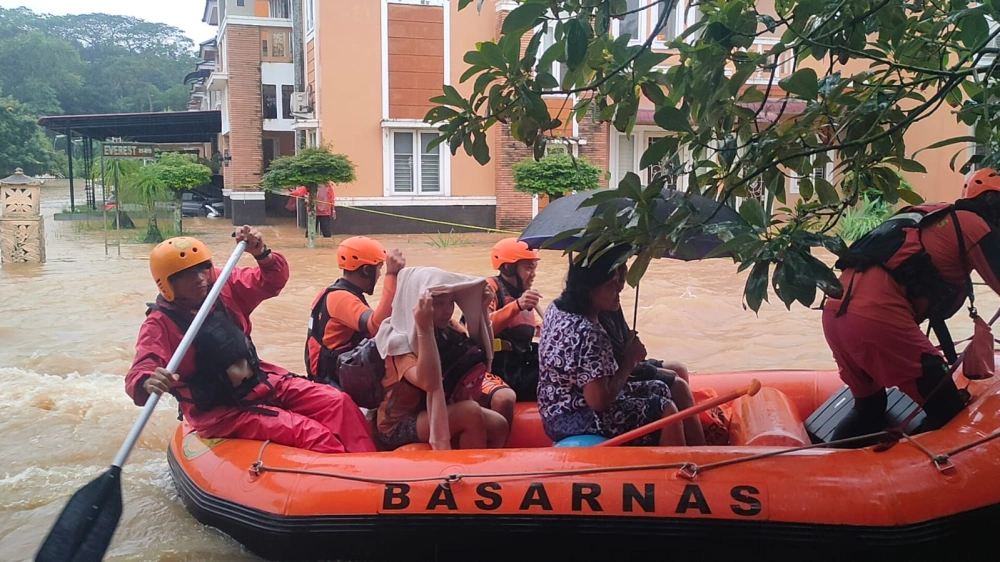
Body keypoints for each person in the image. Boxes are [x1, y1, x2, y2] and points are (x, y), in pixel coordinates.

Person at [125, 229, 375, 454]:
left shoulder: (222, 285)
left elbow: (272, 281)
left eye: (202, 268)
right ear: (167, 283)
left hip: (261, 380)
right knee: (314, 435)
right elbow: (140, 371)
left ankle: (372, 465)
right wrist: (148, 381)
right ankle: (353, 484)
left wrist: (262, 253)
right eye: (186, 275)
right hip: (223, 411)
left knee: (338, 402)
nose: (199, 278)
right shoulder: (159, 324)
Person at [822, 168, 1000, 440]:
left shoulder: (930, 215)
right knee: (947, 409)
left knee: (870, 407)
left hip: (834, 313)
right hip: (877, 320)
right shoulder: (974, 225)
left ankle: (828, 466)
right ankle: (897, 470)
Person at [537, 246, 689, 447]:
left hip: (553, 407)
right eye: (612, 284)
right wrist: (629, 360)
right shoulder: (588, 332)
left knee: (660, 387)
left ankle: (698, 453)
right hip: (574, 416)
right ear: (590, 289)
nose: (619, 288)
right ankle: (680, 467)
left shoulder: (557, 307)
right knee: (665, 408)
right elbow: (599, 401)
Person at [372, 266, 509, 451]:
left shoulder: (448, 327)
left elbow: (479, 354)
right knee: (470, 412)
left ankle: (488, 466)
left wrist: (481, 310)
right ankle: (471, 473)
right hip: (398, 424)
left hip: (435, 410)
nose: (447, 311)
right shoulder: (398, 342)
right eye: (438, 304)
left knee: (499, 425)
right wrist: (424, 329)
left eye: (450, 302)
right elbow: (429, 382)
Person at [598, 263, 705, 445]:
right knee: (676, 383)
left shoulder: (611, 304)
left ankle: (690, 437)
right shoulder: (592, 319)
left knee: (678, 368)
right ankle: (699, 449)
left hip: (625, 369)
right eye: (616, 277)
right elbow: (617, 366)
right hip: (620, 376)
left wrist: (632, 344)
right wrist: (636, 360)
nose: (622, 281)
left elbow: (624, 348)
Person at [304, 236, 405, 385]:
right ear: (366, 270)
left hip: (336, 373)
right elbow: (377, 327)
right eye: (379, 268)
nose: (379, 275)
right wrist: (392, 275)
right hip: (332, 382)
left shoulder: (339, 293)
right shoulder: (341, 298)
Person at [477, 238, 541, 428]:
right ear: (508, 268)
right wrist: (517, 306)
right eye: (529, 267)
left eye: (535, 268)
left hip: (520, 364)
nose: (533, 274)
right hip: (496, 368)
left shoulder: (525, 295)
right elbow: (480, 328)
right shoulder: (490, 288)